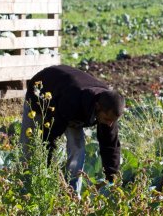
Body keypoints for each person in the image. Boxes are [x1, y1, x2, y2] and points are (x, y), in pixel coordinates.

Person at [20, 65, 125, 194]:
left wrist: (111, 180)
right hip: (41, 92)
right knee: (29, 145)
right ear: (97, 107)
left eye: (113, 121)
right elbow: (48, 138)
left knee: (78, 147)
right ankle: (25, 186)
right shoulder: (72, 102)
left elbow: (110, 146)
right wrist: (55, 175)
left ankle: (73, 190)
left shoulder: (109, 108)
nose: (110, 124)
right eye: (107, 119)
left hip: (69, 100)